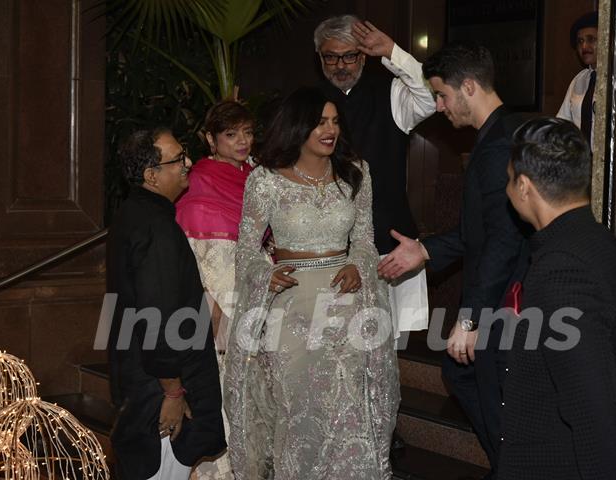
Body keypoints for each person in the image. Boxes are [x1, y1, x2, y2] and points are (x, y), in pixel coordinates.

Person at [224, 87, 398, 480]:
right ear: (299, 125)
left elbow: (366, 239)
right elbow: (247, 249)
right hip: (293, 304)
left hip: (348, 301)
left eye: (335, 121)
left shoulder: (356, 172)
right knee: (300, 408)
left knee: (352, 408)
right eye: (321, 121)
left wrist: (357, 264)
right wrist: (266, 274)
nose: (330, 129)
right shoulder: (265, 180)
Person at [377, 44, 529, 475]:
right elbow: (474, 233)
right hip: (500, 293)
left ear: (468, 86)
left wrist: (470, 319)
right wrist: (424, 250)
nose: (438, 106)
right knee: (467, 379)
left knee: (490, 396)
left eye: (442, 95)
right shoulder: (497, 135)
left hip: (507, 296)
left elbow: (501, 241)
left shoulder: (499, 144)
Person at [498, 117, 616, 479]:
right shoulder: (600, 244)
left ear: (524, 186)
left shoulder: (562, 272)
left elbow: (594, 410)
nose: (506, 190)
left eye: (507, 179)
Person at [106, 128, 226, 479]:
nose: (188, 163)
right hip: (159, 398)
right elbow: (157, 317)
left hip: (143, 385)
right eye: (177, 159)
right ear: (151, 176)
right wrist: (173, 393)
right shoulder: (156, 228)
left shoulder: (131, 214)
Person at [315, 14, 435, 338]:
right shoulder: (308, 103)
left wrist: (393, 52)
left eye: (349, 56)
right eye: (331, 57)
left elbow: (432, 97)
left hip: (387, 242)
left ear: (364, 55)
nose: (340, 65)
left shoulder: (393, 92)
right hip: (328, 246)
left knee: (386, 346)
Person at [175, 101, 255, 480]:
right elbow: (187, 258)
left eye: (248, 132)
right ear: (210, 138)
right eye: (230, 134)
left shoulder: (258, 178)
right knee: (223, 393)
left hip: (259, 301)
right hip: (220, 303)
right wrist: (211, 309)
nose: (242, 141)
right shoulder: (198, 181)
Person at [557, 11, 598, 146]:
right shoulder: (578, 80)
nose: (584, 47)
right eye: (580, 41)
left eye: (591, 39)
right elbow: (562, 124)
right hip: (580, 161)